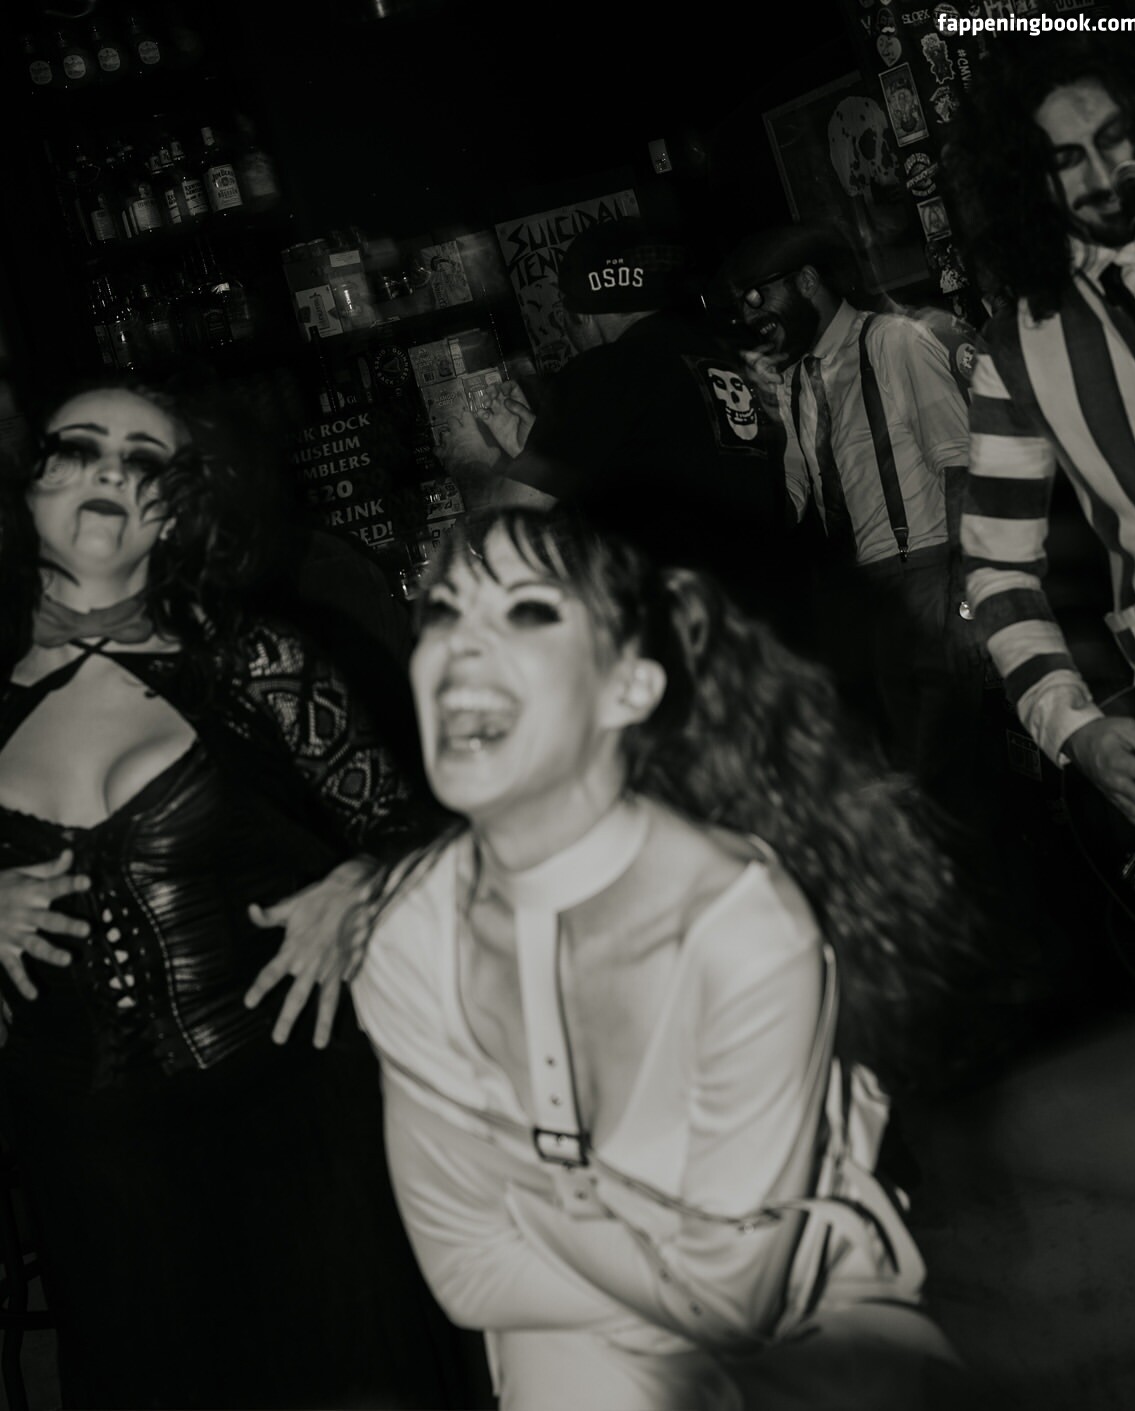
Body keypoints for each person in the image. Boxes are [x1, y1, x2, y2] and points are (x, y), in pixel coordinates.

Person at [351, 504, 985, 1410]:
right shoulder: (411, 936)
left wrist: (525, 1197)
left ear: (629, 687)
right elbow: (465, 1276)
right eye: (443, 611)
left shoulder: (738, 927)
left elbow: (731, 1302)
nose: (460, 645)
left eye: (528, 610)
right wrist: (664, 1264)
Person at [0, 381, 471, 1410]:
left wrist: (364, 882)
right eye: (79, 448)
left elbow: (425, 835)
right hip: (91, 1156)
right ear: (28, 485)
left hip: (291, 1113)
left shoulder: (252, 662)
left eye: (146, 459)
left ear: (180, 508)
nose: (111, 469)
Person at [944, 33, 1135, 838]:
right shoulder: (1017, 348)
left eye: (1113, 139)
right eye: (1067, 159)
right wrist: (1075, 725)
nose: (1102, 177)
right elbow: (999, 568)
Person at [718, 223, 987, 809]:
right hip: (870, 592)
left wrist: (965, 592)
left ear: (807, 281)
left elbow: (961, 465)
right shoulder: (793, 380)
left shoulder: (893, 343)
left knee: (943, 772)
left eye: (758, 296)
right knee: (914, 767)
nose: (750, 315)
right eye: (740, 303)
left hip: (929, 573)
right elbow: (793, 493)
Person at [441, 217, 794, 626]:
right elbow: (661, 475)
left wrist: (473, 460)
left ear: (580, 315)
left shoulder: (604, 371)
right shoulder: (720, 358)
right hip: (763, 615)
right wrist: (534, 448)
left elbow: (509, 527)